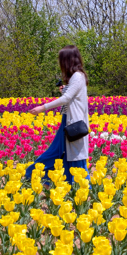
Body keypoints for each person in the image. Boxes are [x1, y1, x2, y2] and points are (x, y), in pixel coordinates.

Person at [24, 46, 90, 185]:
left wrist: (43, 107)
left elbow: (67, 99)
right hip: (68, 120)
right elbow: (72, 96)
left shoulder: (78, 76)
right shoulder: (76, 77)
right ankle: (54, 179)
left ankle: (36, 174)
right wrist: (64, 90)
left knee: (64, 152)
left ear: (67, 60)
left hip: (74, 123)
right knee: (61, 151)